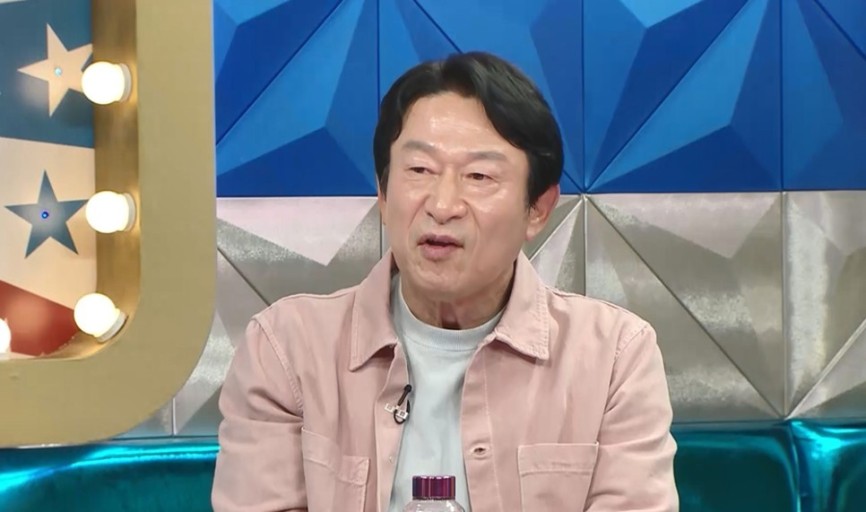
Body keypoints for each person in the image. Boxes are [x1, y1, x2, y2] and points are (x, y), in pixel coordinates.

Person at [212, 51, 678, 512]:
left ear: (537, 208)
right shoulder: (287, 350)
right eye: (419, 170)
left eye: (479, 176)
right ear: (383, 192)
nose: (442, 205)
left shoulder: (613, 358)